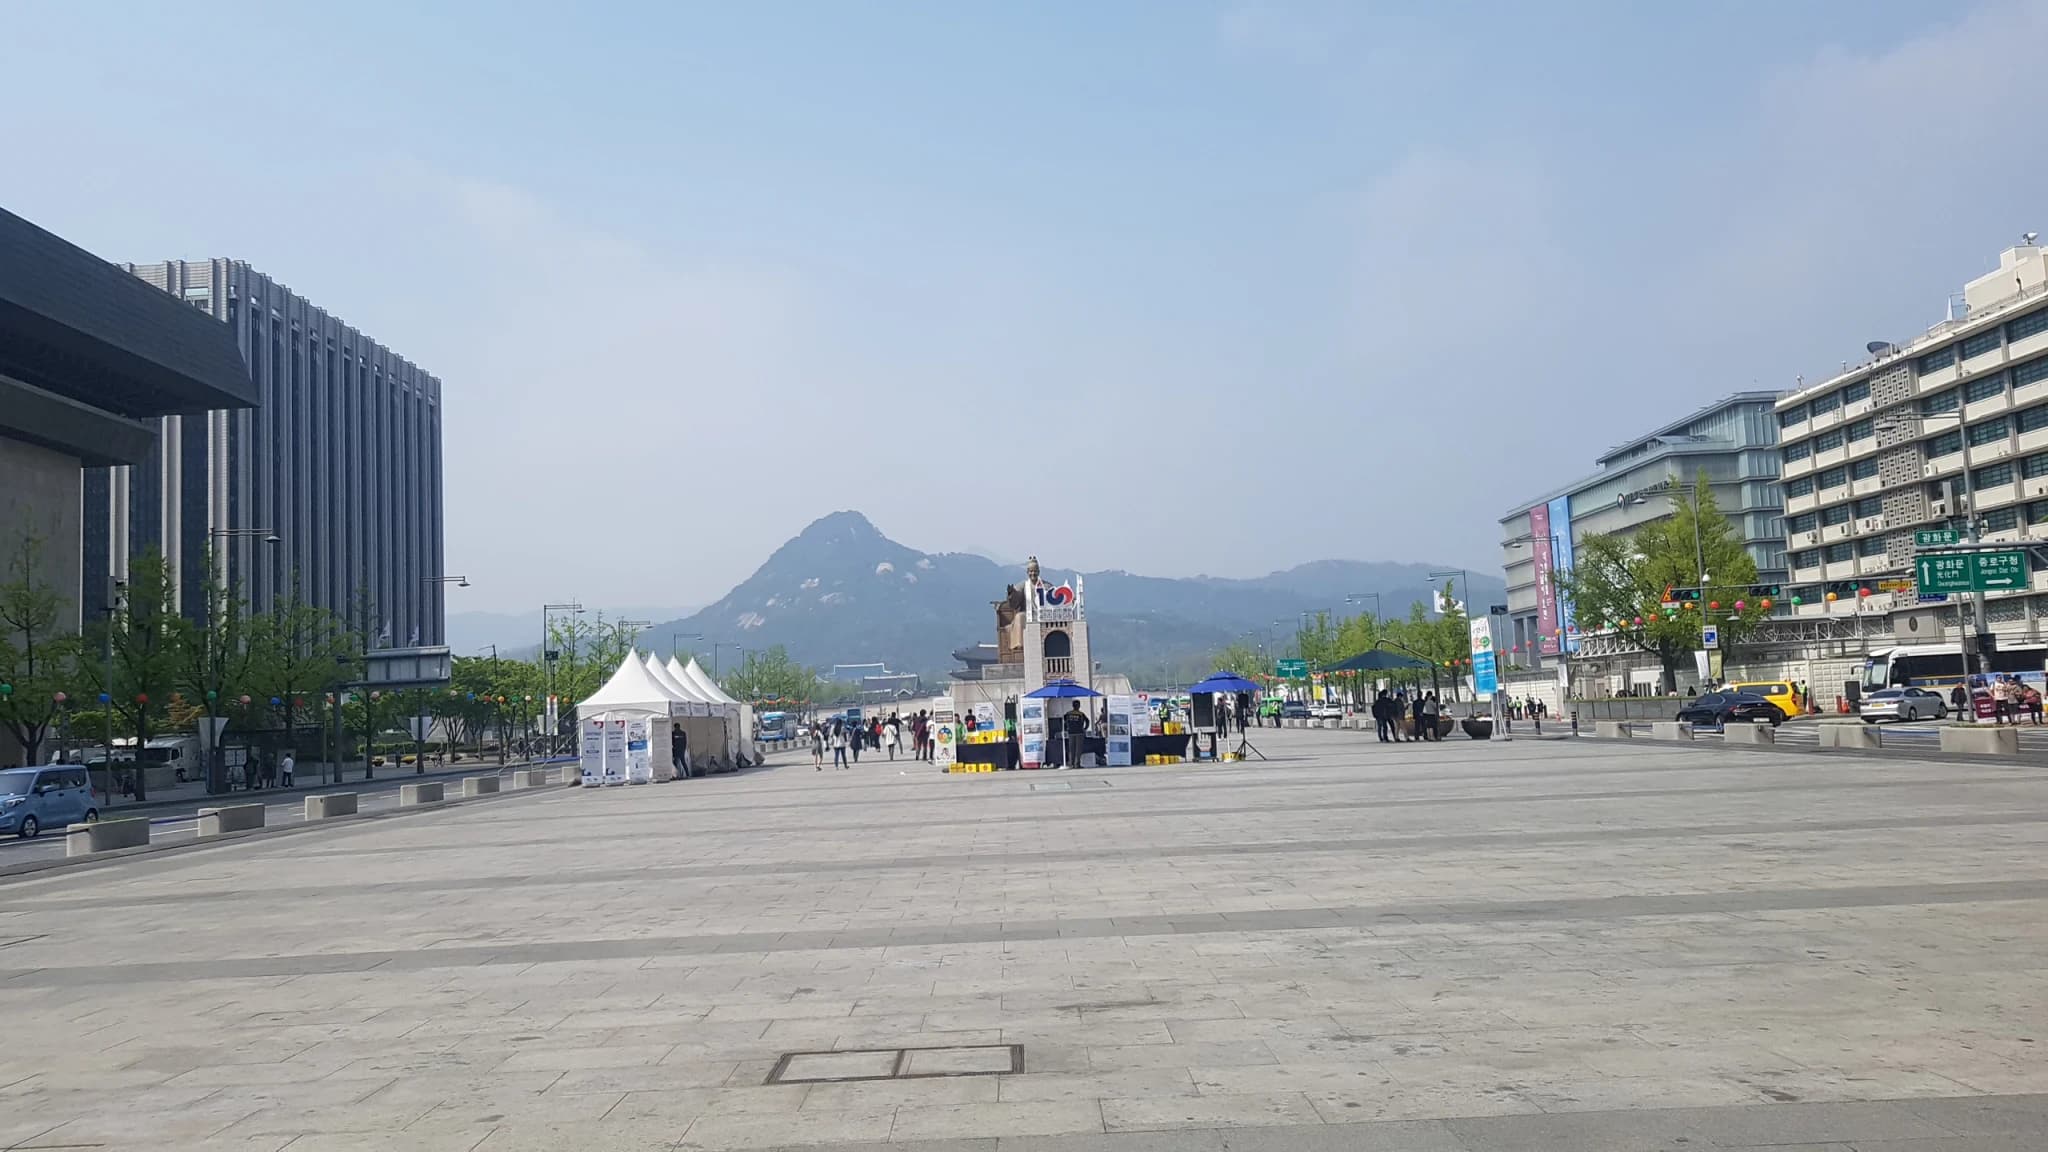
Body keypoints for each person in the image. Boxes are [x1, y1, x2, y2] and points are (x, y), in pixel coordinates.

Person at [1063, 701, 1090, 769]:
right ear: (1079, 706)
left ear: (1072, 706)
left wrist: (1066, 728)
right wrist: (1085, 728)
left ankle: (1071, 764)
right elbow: (1087, 721)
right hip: (1079, 733)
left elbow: (1063, 720)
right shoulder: (1081, 714)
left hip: (1071, 733)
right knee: (1078, 749)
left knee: (1071, 749)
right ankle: (1077, 764)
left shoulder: (1068, 714)